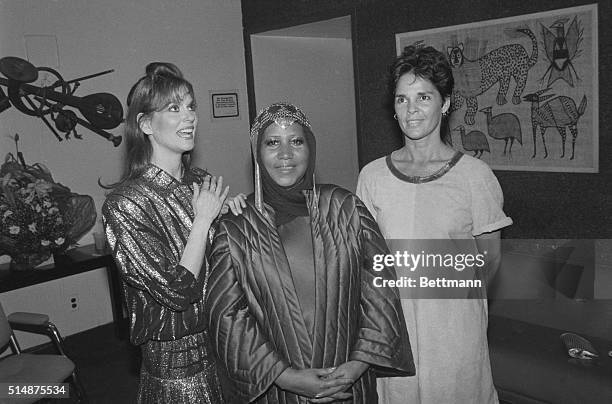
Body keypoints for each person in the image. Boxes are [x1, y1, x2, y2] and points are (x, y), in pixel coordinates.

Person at [205, 102, 414, 403]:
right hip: (278, 390)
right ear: (257, 153)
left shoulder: (346, 208)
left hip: (349, 386)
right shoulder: (237, 228)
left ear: (311, 148)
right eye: (272, 143)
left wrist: (356, 366)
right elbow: (227, 316)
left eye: (297, 142)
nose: (285, 155)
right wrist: (286, 376)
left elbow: (380, 289)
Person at [356, 45, 512, 403]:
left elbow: (488, 264)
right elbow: (367, 261)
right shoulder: (373, 176)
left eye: (423, 97)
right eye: (402, 99)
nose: (411, 110)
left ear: (445, 103)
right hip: (394, 329)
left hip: (454, 329)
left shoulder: (475, 176)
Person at [102, 62, 244, 403]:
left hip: (223, 343)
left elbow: (224, 268)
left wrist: (232, 218)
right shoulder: (126, 204)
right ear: (146, 124)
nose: (190, 116)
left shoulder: (199, 182)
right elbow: (178, 291)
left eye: (191, 106)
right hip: (177, 368)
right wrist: (203, 220)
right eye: (174, 108)